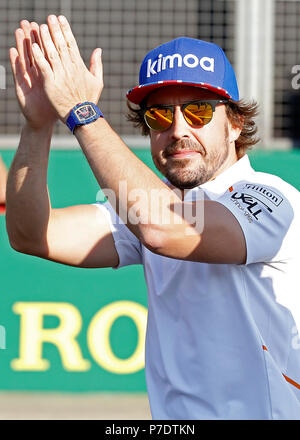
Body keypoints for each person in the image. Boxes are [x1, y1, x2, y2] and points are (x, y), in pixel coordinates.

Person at [6, 15, 300, 420]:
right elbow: (33, 236)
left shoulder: (273, 199)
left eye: (197, 111)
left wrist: (81, 112)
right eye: (159, 116)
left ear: (235, 124)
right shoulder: (149, 205)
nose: (178, 129)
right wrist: (38, 126)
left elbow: (164, 227)